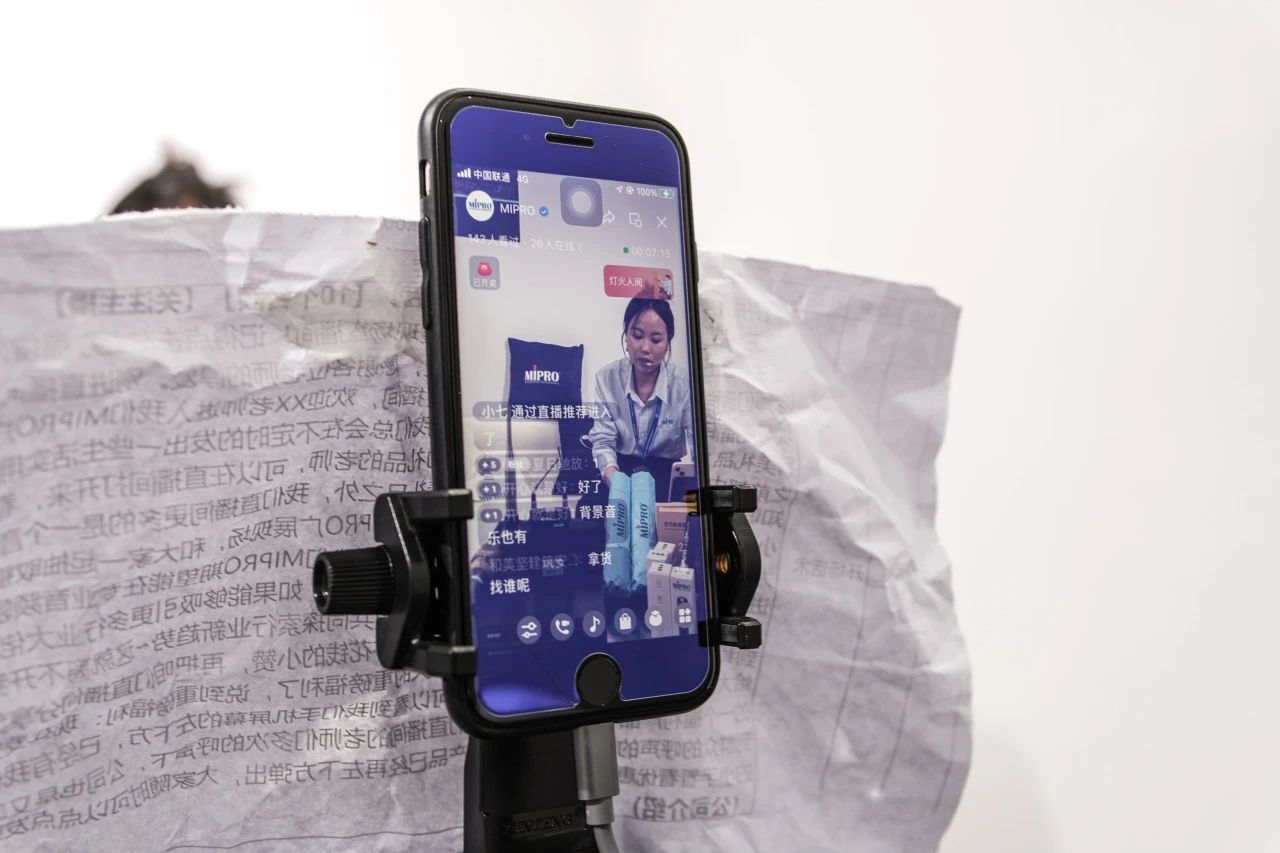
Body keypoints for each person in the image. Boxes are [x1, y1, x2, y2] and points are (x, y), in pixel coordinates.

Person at [587, 297, 693, 503]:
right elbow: (603, 441)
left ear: (668, 343)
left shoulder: (683, 384)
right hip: (620, 471)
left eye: (656, 340)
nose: (645, 348)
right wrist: (616, 482)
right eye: (637, 335)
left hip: (666, 474)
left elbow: (698, 446)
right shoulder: (607, 378)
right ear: (626, 336)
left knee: (683, 516)